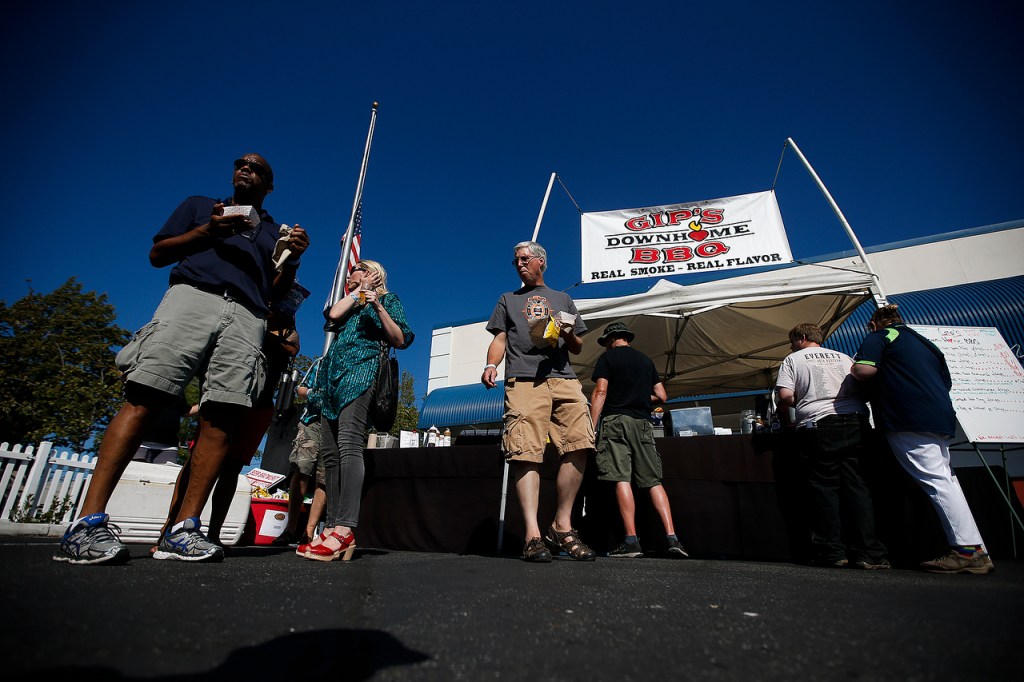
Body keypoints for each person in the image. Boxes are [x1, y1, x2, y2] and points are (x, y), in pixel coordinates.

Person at [55, 153, 309, 564]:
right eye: (240, 163)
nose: (246, 168)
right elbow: (159, 254)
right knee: (145, 396)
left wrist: (292, 258)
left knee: (223, 417)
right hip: (193, 299)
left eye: (257, 167)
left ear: (269, 185)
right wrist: (209, 230)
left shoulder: (271, 234)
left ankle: (183, 530)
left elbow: (276, 294)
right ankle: (87, 522)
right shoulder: (199, 206)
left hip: (247, 315)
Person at [851, 304, 994, 574]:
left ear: (873, 324)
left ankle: (966, 551)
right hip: (939, 417)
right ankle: (977, 550)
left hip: (906, 417)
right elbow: (946, 382)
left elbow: (864, 370)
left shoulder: (880, 337)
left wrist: (854, 371)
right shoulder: (927, 344)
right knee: (946, 478)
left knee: (935, 480)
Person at [482, 241, 597, 563]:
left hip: (564, 378)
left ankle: (562, 525)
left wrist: (567, 332)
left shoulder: (563, 299)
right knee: (525, 451)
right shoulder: (508, 300)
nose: (518, 263)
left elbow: (576, 346)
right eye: (515, 259)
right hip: (524, 379)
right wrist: (491, 365)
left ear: (541, 262)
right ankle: (533, 535)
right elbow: (500, 337)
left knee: (579, 444)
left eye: (524, 258)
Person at [154, 306, 301, 552]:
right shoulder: (241, 313)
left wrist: (271, 327)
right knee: (196, 462)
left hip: (259, 405)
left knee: (232, 469)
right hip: (226, 395)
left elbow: (291, 347)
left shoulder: (286, 329)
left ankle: (214, 534)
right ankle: (169, 529)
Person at [301, 259, 413, 561]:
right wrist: (358, 292)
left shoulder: (389, 300)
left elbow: (401, 339)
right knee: (330, 454)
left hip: (361, 373)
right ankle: (332, 526)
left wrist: (376, 304)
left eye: (358, 270)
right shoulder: (348, 305)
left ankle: (346, 527)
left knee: (349, 445)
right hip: (331, 378)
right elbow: (332, 314)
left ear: (375, 275)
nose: (351, 274)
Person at [775, 323, 889, 570]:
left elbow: (785, 396)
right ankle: (869, 553)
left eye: (792, 341)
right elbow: (863, 384)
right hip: (856, 421)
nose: (791, 345)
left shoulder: (793, 360)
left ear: (802, 338)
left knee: (825, 489)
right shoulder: (844, 357)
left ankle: (833, 552)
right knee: (858, 488)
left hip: (820, 424)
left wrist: (805, 398)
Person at [589, 322, 688, 559]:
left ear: (612, 340)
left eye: (605, 343)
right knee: (653, 480)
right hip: (643, 423)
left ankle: (632, 541)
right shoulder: (646, 361)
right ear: (626, 338)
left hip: (616, 422)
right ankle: (673, 538)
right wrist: (639, 398)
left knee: (621, 478)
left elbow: (600, 392)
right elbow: (662, 396)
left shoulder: (608, 359)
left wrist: (591, 427)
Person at [274, 358, 328, 549]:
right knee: (301, 469)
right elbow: (301, 390)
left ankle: (309, 532)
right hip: (312, 421)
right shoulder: (322, 362)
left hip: (336, 425)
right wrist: (317, 393)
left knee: (324, 477)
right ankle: (290, 529)